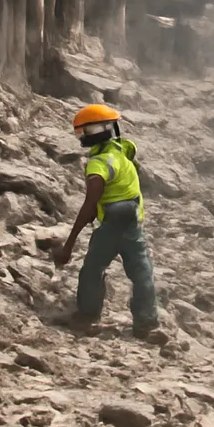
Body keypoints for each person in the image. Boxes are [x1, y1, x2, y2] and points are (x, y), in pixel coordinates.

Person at [52, 104, 165, 342]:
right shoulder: (123, 151)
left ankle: (87, 315)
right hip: (133, 225)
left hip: (110, 228)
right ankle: (147, 324)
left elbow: (90, 206)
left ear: (89, 134)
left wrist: (68, 245)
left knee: (92, 270)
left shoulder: (98, 164)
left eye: (82, 132)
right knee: (142, 272)